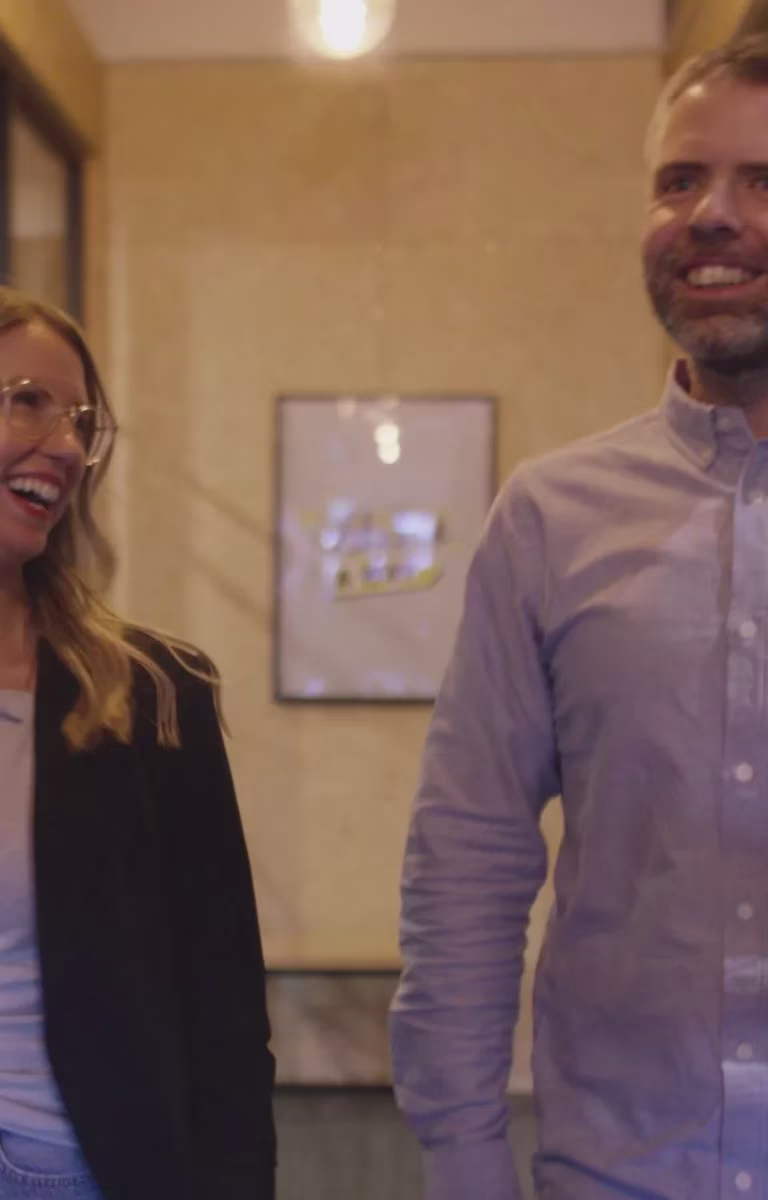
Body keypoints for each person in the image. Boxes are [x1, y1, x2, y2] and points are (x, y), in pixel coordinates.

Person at [390, 31, 768, 1200]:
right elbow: (468, 855)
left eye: (763, 181)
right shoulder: (549, 518)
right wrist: (463, 1164)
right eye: (679, 180)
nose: (712, 215)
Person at [0, 287, 276, 1200]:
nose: (65, 445)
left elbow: (224, 1008)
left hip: (70, 1175)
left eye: (80, 421)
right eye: (27, 401)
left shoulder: (155, 694)